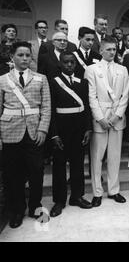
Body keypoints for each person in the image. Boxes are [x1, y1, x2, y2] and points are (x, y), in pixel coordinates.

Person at [0, 41, 51, 228]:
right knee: (14, 174)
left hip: (34, 132)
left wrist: (43, 129)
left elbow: (46, 107)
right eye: (20, 55)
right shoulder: (2, 80)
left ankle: (35, 206)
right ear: (12, 57)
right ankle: (17, 210)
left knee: (37, 171)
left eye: (27, 55)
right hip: (10, 133)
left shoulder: (41, 78)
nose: (24, 58)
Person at [85, 37, 129, 207]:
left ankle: (114, 190)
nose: (112, 52)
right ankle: (97, 192)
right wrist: (100, 118)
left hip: (117, 117)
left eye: (114, 49)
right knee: (97, 158)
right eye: (109, 49)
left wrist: (117, 115)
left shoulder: (123, 69)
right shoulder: (92, 69)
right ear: (101, 50)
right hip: (100, 117)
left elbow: (125, 95)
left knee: (114, 156)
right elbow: (91, 96)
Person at [49, 51, 93, 217]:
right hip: (60, 130)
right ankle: (59, 200)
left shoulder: (82, 82)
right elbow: (50, 109)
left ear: (76, 64)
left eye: (72, 62)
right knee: (59, 166)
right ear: (60, 64)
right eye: (66, 62)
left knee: (78, 164)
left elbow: (86, 107)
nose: (69, 65)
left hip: (78, 129)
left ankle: (77, 196)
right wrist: (53, 134)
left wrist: (88, 129)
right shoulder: (53, 82)